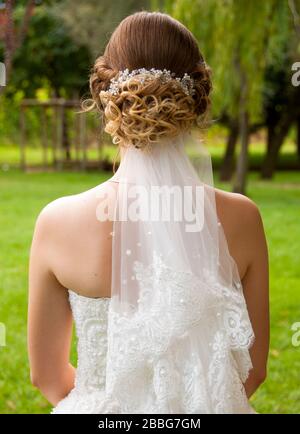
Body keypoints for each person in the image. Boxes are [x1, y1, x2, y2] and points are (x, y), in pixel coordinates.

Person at [28, 11, 269, 414]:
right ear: (196, 99)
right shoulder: (243, 218)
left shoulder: (57, 221)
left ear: (107, 96)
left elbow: (47, 377)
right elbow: (254, 370)